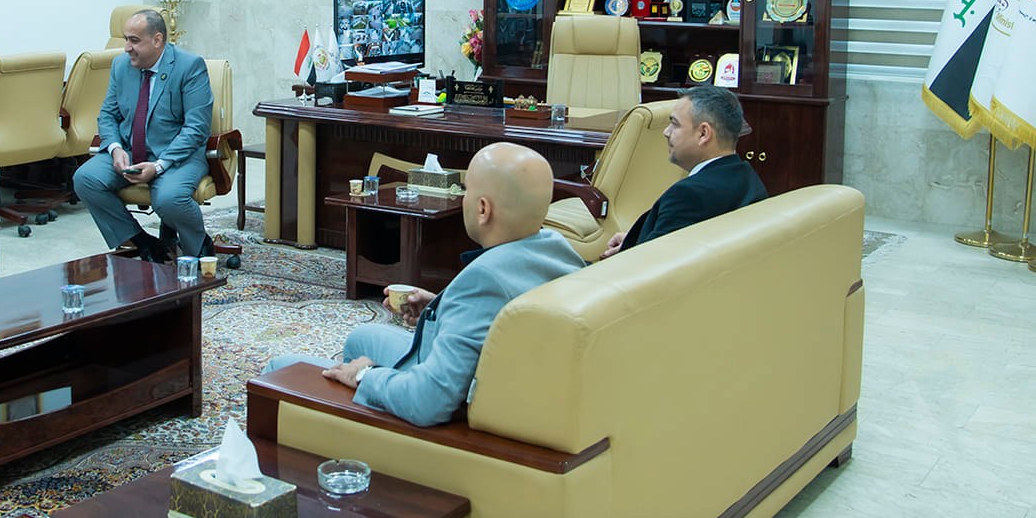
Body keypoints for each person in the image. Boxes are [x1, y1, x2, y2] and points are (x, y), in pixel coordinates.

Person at [268, 143, 584, 427]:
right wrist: (441, 308)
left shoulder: (484, 281)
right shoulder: (560, 250)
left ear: (482, 209)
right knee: (361, 339)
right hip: (505, 380)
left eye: (465, 191)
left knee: (279, 369)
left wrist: (365, 376)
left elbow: (427, 402)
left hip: (453, 408)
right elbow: (496, 317)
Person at [72, 9, 214, 262]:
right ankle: (143, 242)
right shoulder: (121, 66)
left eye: (134, 40)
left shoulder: (189, 66)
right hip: (130, 151)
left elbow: (196, 128)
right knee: (85, 179)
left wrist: (159, 166)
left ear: (157, 40)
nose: (127, 47)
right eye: (126, 39)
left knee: (169, 198)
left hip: (176, 156)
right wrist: (115, 148)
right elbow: (108, 115)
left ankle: (199, 244)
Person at [601, 84, 767, 260]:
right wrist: (635, 239)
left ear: (703, 133)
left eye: (674, 124)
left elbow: (649, 264)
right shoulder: (748, 178)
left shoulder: (689, 195)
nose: (666, 132)